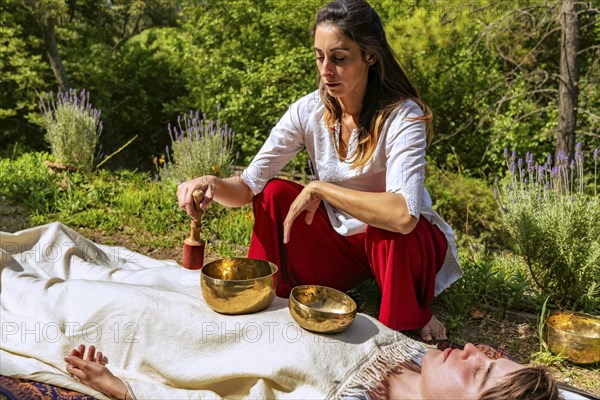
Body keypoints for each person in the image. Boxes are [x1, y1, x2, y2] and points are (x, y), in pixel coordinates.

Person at [177, 0, 461, 341]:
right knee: (274, 195)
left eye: (339, 58)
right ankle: (268, 296)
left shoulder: (404, 116)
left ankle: (405, 319)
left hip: (401, 247)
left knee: (388, 229)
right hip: (341, 245)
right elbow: (248, 188)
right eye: (319, 56)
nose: (326, 70)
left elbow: (404, 216)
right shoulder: (309, 110)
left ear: (370, 56)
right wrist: (212, 183)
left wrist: (321, 189)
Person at [64, 343, 560, 400]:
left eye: (479, 373)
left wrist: (122, 388)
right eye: (491, 352)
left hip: (190, 347)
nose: (473, 350)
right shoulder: (412, 351)